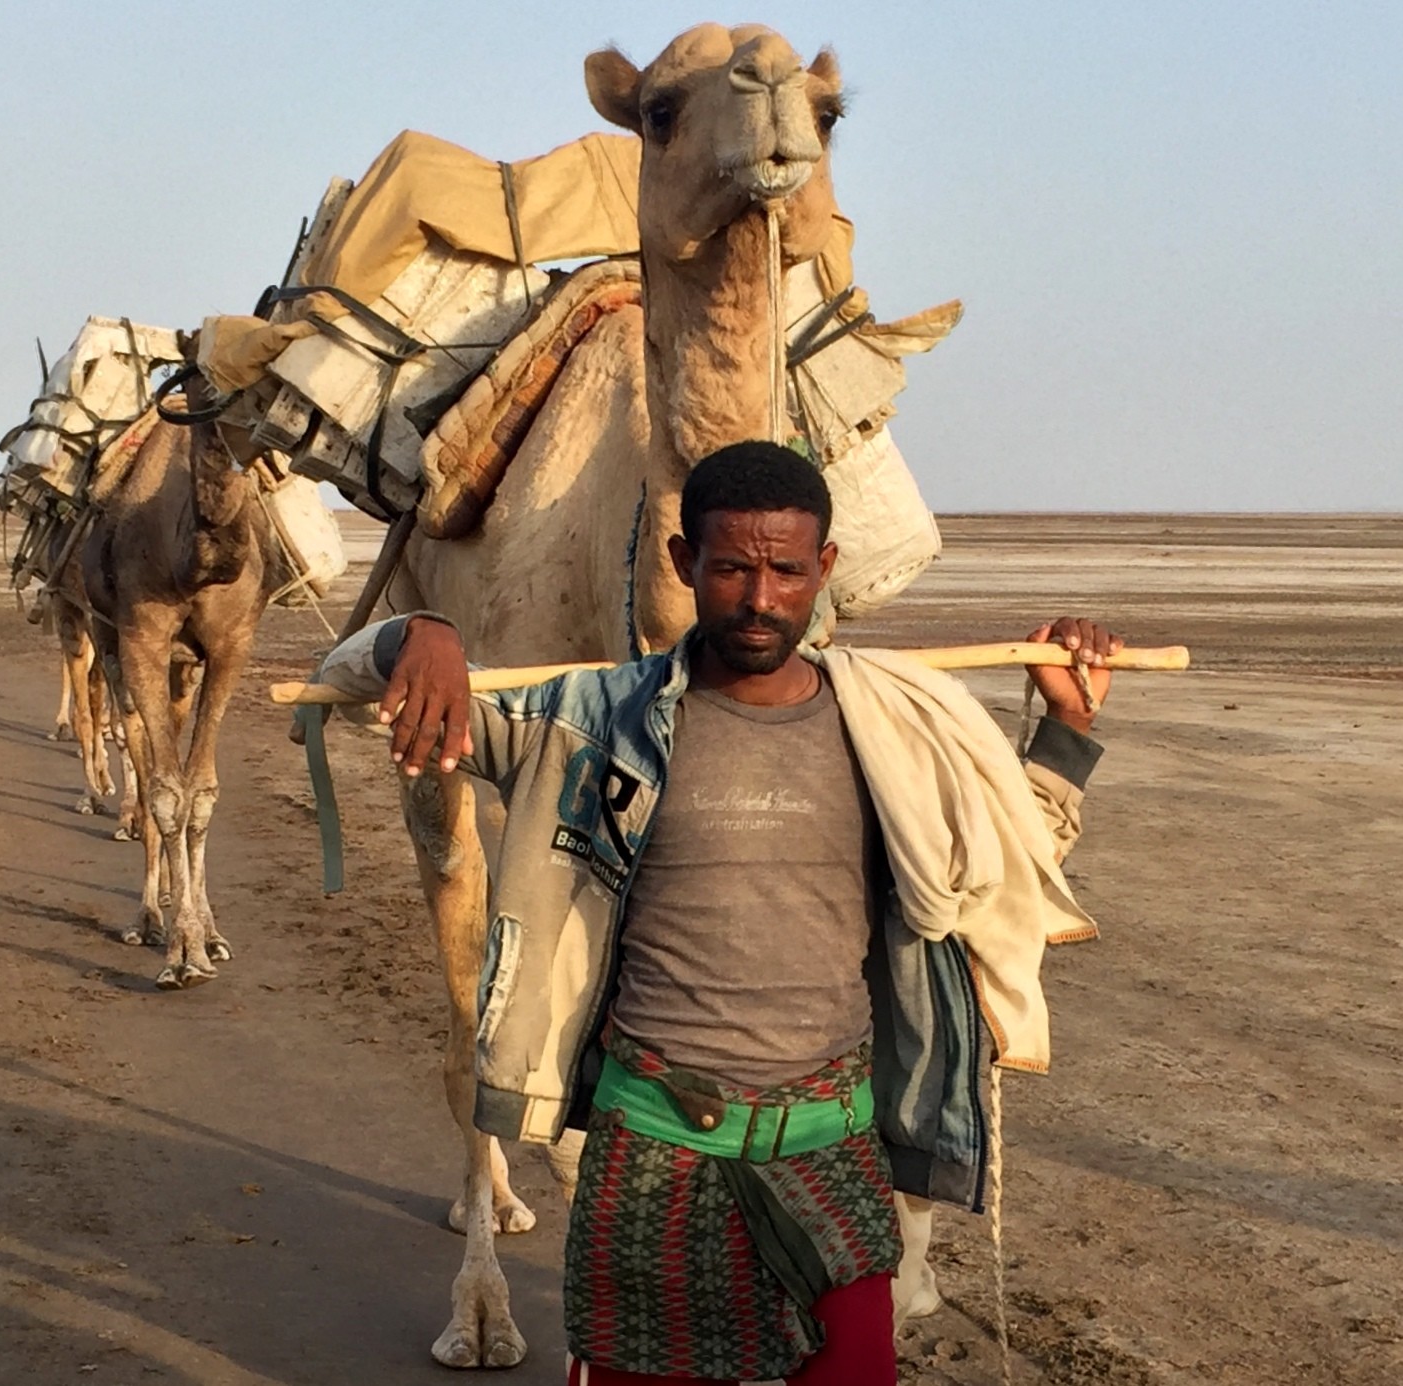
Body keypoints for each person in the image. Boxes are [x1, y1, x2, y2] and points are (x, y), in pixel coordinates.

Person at [313, 441, 1118, 1384]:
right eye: (731, 566)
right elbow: (344, 672)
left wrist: (1066, 726)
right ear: (683, 562)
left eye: (785, 570)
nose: (759, 597)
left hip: (831, 1138)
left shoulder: (892, 725)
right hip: (652, 1142)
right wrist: (420, 635)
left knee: (855, 1370)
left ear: (825, 568)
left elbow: (1003, 862)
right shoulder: (589, 723)